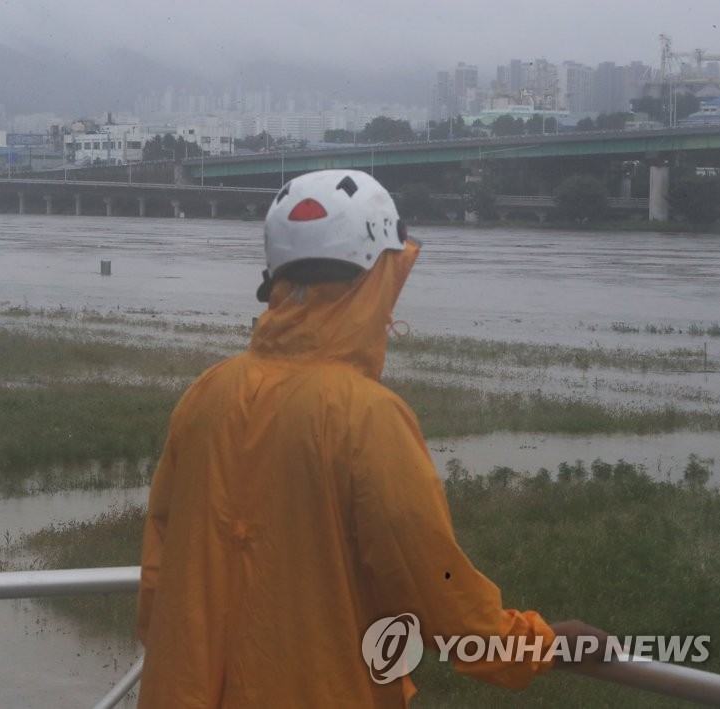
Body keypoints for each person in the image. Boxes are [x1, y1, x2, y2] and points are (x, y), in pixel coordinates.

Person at [136, 169, 604, 707]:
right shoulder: (367, 417)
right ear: (377, 275)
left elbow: (158, 577)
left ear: (277, 277)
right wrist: (542, 644)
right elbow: (439, 590)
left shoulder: (206, 394)